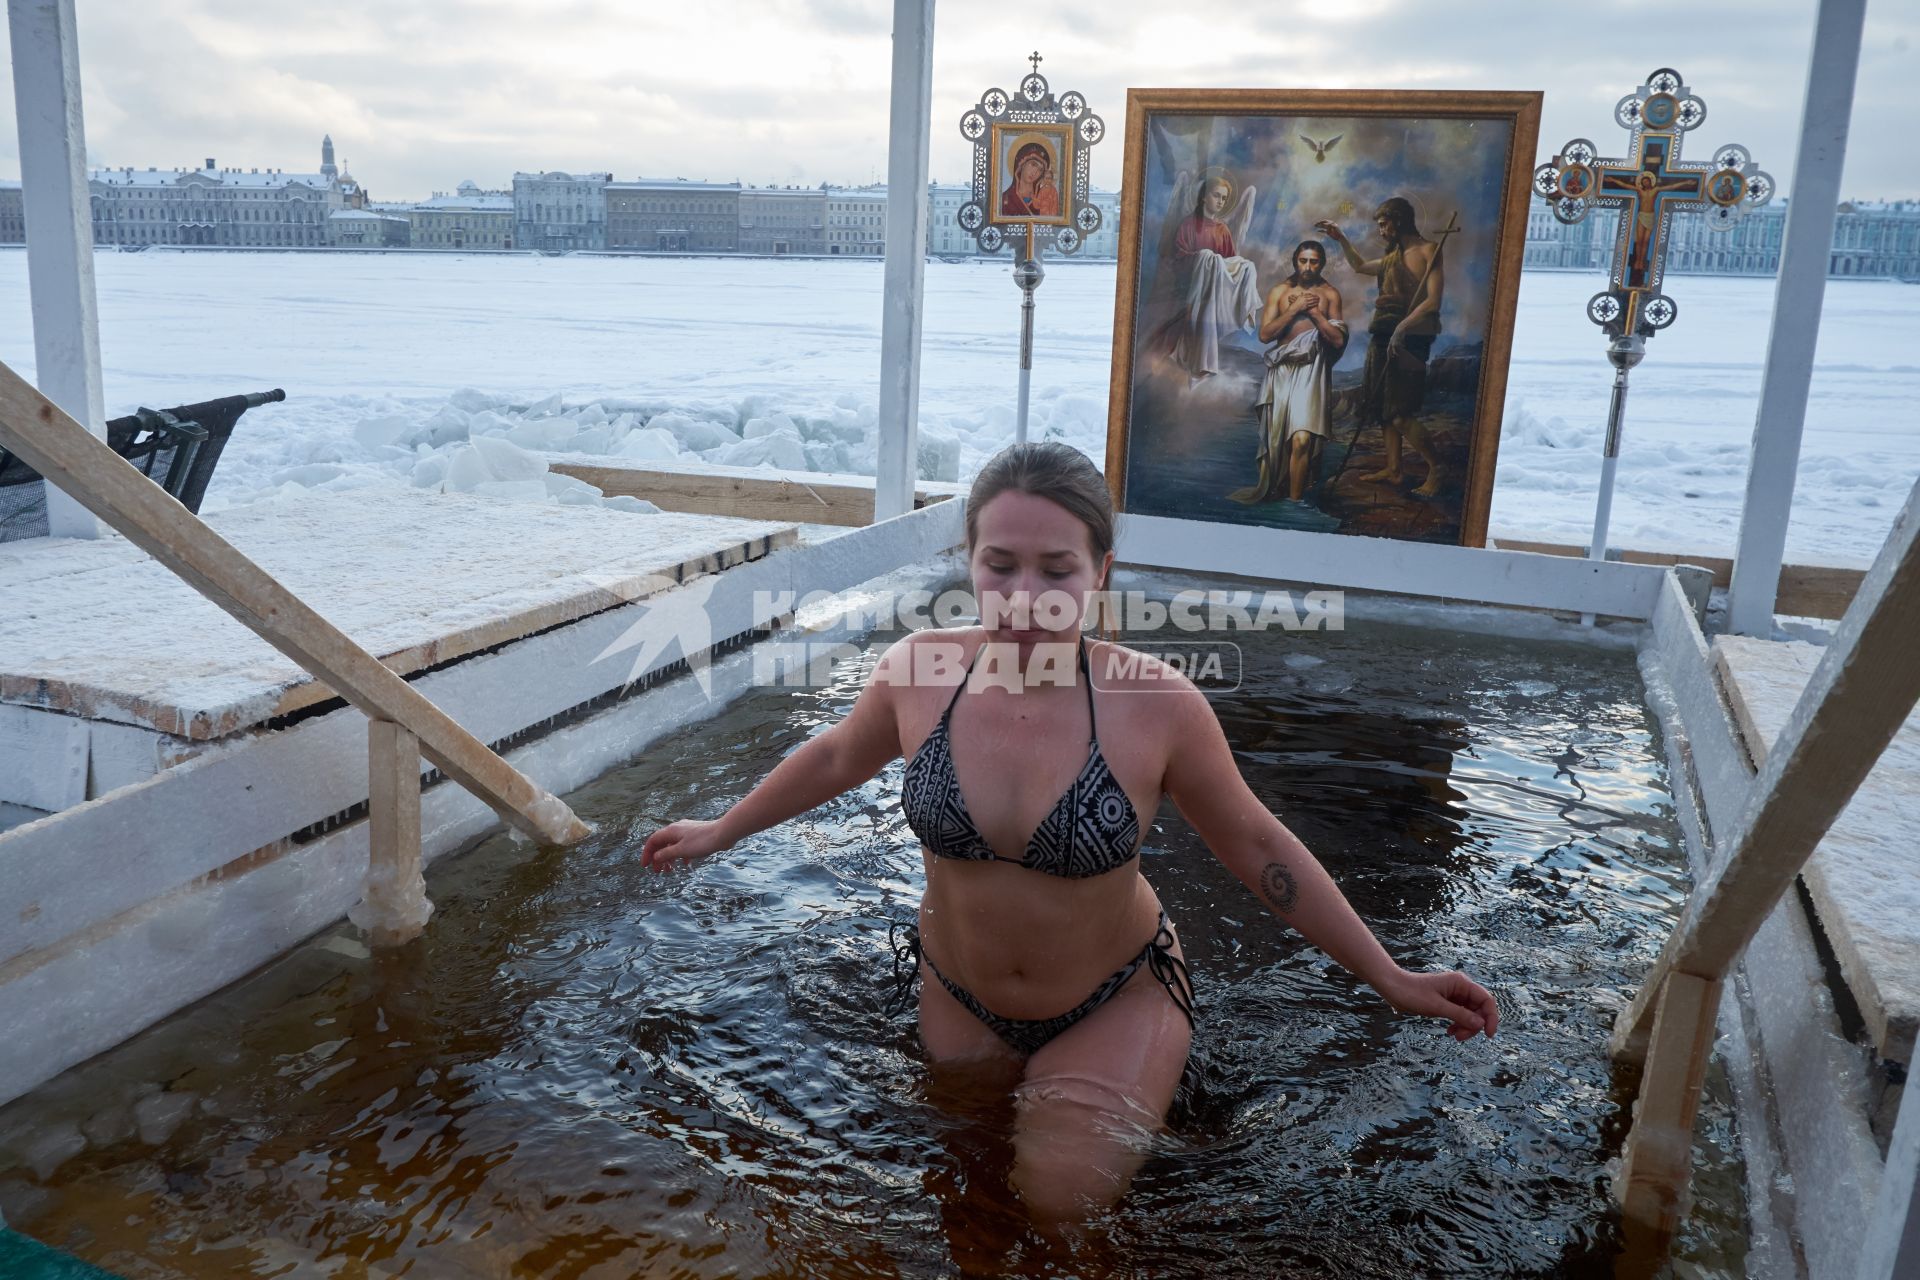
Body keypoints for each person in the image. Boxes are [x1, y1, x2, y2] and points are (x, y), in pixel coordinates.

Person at [639, 442, 1500, 1230]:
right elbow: (833, 759)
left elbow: (1258, 847)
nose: (1022, 596)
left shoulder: (1154, 704)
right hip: (955, 990)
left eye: (1056, 569)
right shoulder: (919, 672)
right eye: (998, 564)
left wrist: (1390, 976)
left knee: (1060, 1211)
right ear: (967, 562)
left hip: (1113, 1000)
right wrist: (721, 831)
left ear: (1101, 572)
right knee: (963, 1193)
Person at [1316, 197, 1449, 497]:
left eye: (1383, 224)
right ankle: (1394, 469)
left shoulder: (1429, 251)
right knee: (1385, 409)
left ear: (1399, 220)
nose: (1380, 231)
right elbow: (1360, 265)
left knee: (1401, 411)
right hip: (1382, 334)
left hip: (1410, 336)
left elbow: (1432, 301)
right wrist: (1341, 239)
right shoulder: (1391, 258)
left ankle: (1436, 467)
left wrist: (1402, 328)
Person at [1229, 239, 1347, 505]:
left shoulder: (1330, 295)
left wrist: (1315, 314)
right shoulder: (1280, 292)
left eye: (1313, 261)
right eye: (1303, 260)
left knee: (1303, 439)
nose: (1307, 266)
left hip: (1312, 371)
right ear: (1295, 261)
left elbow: (1338, 340)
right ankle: (1279, 492)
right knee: (1278, 440)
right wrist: (1294, 310)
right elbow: (1264, 335)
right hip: (1281, 371)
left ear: (1322, 263)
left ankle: (1295, 504)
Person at [1151, 174, 1262, 382]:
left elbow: (1230, 264)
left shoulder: (1223, 230)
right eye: (1216, 196)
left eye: (1224, 198)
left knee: (1247, 267)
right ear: (1204, 197)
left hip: (1214, 292)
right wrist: (1205, 259)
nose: (1220, 202)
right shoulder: (1188, 225)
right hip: (1190, 290)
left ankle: (1202, 367)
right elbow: (1179, 259)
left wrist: (1239, 268)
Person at [1001, 141, 1061, 218]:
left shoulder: (1046, 196)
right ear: (1022, 163)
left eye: (1040, 170)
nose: (1035, 172)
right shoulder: (1005, 199)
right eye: (1033, 164)